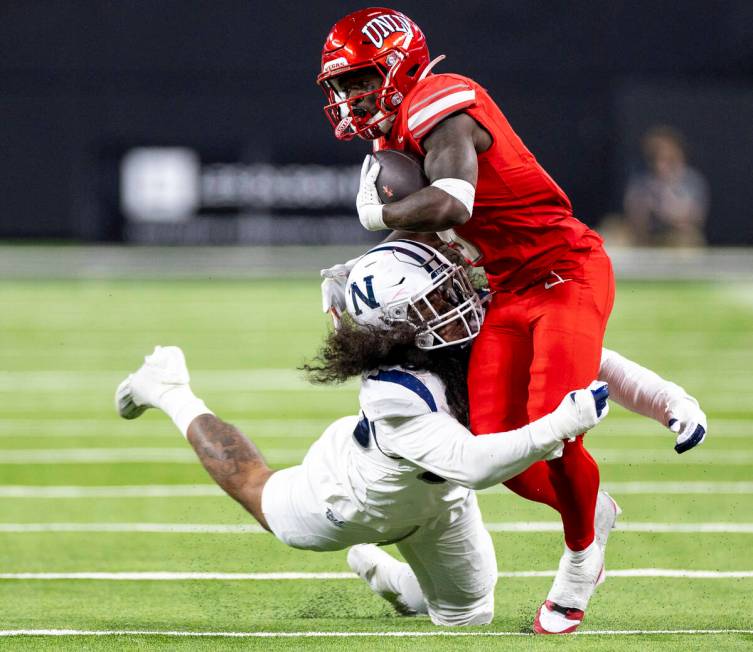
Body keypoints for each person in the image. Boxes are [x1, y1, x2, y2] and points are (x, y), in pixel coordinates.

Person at [315, 8, 705, 632]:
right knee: (502, 458)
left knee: (558, 422)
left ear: (399, 65)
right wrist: (363, 271)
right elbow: (441, 237)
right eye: (341, 86)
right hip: (505, 285)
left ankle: (579, 568)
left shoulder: (441, 102)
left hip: (567, 268)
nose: (349, 98)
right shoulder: (393, 138)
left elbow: (453, 200)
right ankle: (595, 511)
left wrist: (376, 218)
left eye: (359, 80)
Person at [116, 240, 705, 631]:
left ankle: (395, 581)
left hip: (439, 501)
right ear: (399, 332)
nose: (459, 301)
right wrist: (561, 423)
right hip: (352, 496)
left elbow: (592, 360)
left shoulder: (474, 328)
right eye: (437, 302)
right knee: (257, 488)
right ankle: (168, 388)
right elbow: (475, 464)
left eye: (447, 289)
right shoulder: (393, 391)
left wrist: (670, 401)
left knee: (469, 616)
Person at [623, 125, 709, 247]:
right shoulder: (642, 182)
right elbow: (633, 216)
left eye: (667, 156)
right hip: (645, 236)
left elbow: (694, 218)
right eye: (655, 156)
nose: (660, 162)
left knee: (687, 243)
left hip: (677, 236)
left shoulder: (691, 180)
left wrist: (666, 206)